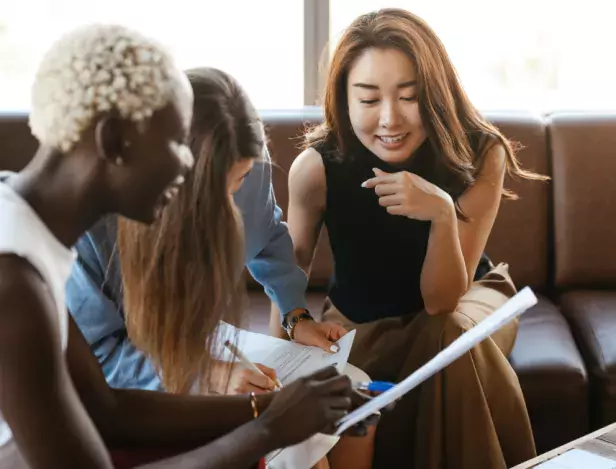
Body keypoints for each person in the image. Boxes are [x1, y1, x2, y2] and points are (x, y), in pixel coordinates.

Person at [0, 24, 364, 469]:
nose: (185, 165)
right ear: (115, 141)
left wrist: (270, 408)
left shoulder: (30, 233)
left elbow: (106, 409)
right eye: (176, 143)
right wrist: (266, 430)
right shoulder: (13, 282)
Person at [277, 8, 550, 469]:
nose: (389, 119)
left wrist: (443, 214)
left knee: (447, 335)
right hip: (361, 319)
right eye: (367, 100)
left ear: (436, 94)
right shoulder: (316, 169)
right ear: (343, 101)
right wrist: (278, 359)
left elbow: (442, 301)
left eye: (410, 97)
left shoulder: (481, 153)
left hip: (469, 301)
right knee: (441, 345)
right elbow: (287, 268)